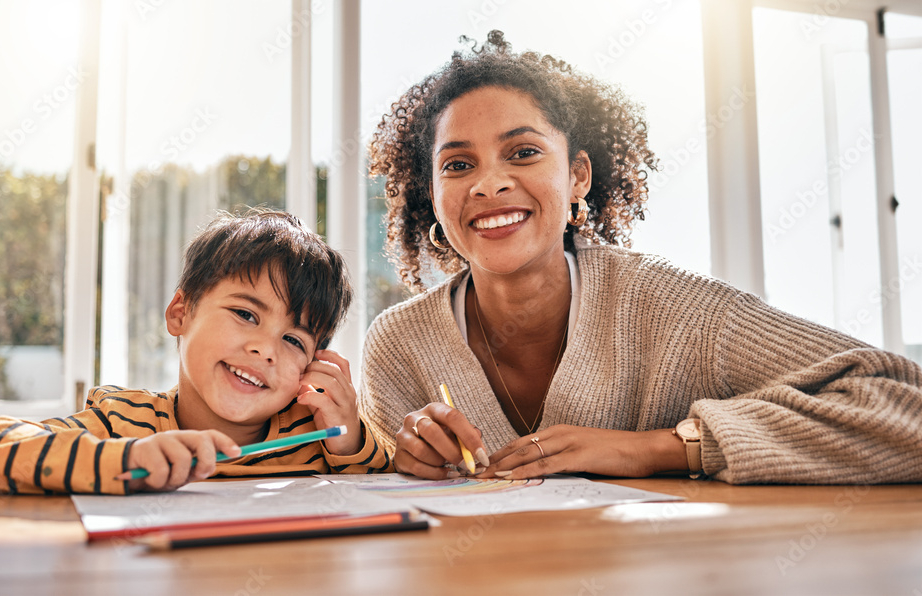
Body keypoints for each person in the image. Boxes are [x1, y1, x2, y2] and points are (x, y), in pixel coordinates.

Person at [360, 31, 922, 485]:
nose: (489, 184)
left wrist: (665, 448)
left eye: (524, 152)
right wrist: (398, 463)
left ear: (577, 176)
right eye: (458, 165)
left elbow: (903, 405)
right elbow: (386, 504)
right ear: (430, 195)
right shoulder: (398, 345)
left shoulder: (676, 311)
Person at [0, 208, 392, 495]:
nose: (264, 349)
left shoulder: (319, 441)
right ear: (180, 314)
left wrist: (347, 437)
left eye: (293, 340)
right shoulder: (119, 424)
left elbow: (385, 485)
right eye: (246, 315)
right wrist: (121, 461)